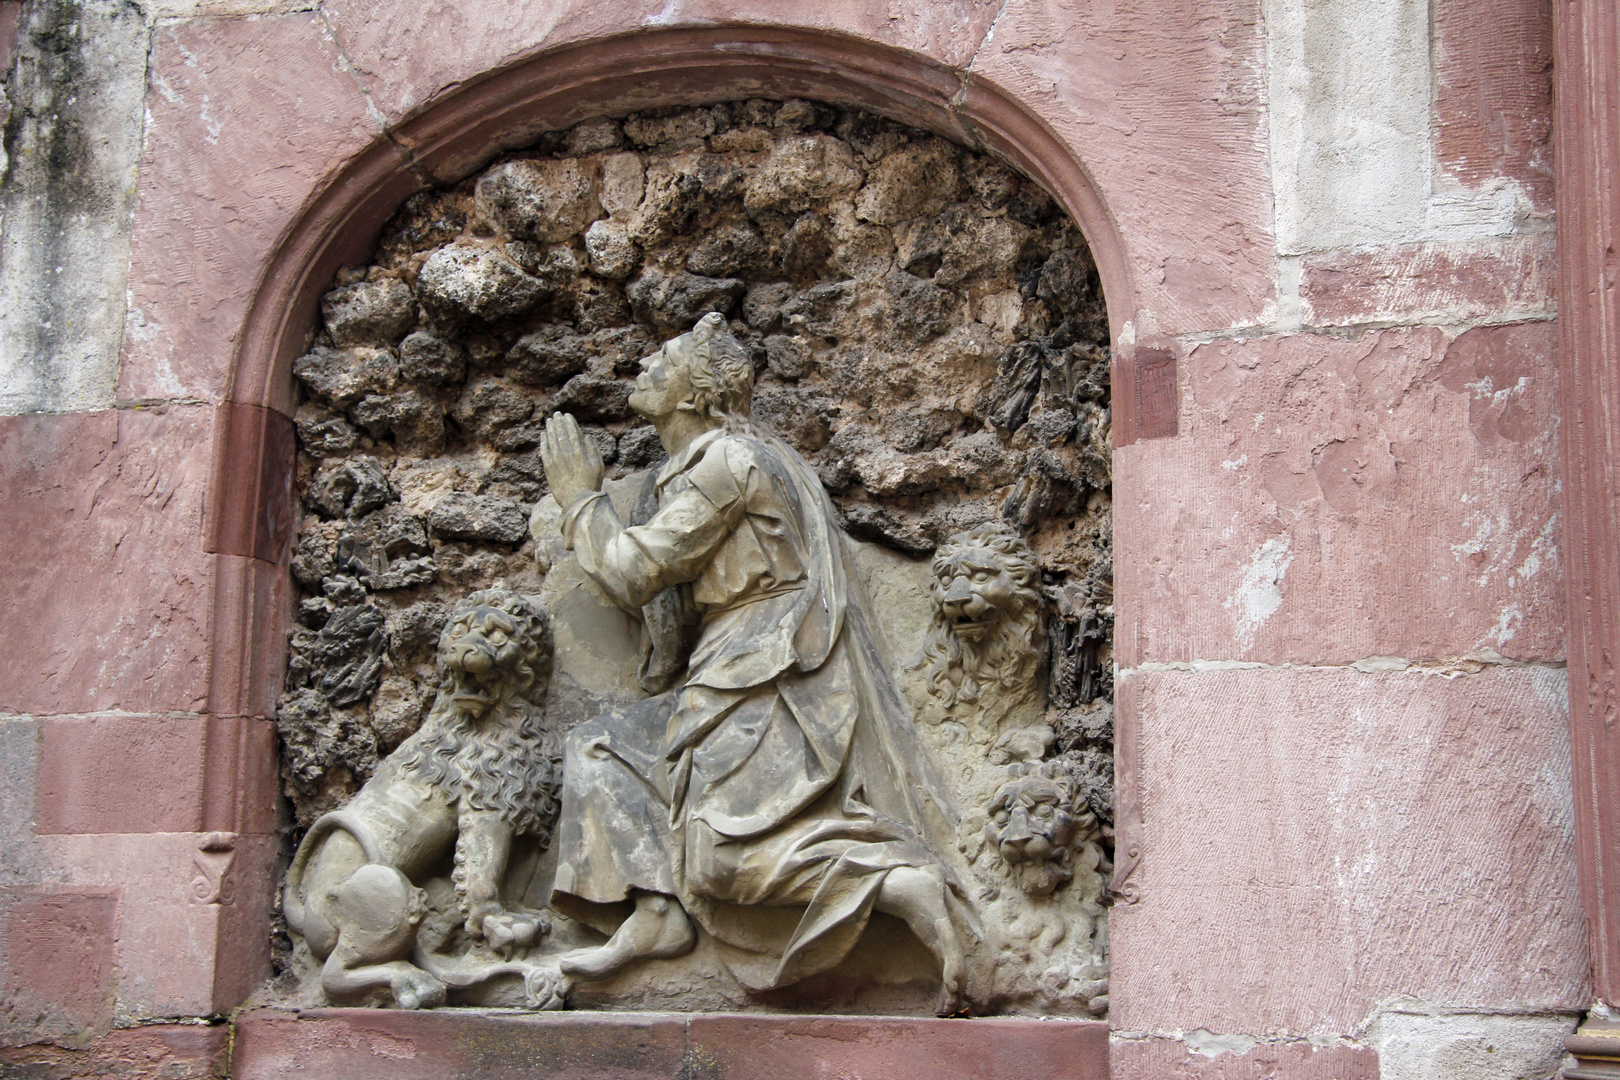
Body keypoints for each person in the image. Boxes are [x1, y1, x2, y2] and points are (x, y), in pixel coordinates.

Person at [538, 312, 970, 1011]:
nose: (646, 364)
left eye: (666, 359)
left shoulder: (729, 462)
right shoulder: (696, 469)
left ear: (693, 393)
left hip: (759, 670)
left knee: (719, 861)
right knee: (599, 746)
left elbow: (635, 570)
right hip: (723, 662)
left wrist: (578, 499)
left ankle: (887, 879)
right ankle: (654, 913)